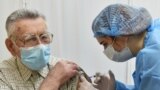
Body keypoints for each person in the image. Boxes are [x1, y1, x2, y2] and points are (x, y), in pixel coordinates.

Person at [78, 3, 160, 90]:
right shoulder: (154, 31)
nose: (106, 50)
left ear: (121, 35)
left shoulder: (152, 57)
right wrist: (116, 87)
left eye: (105, 44)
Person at [1, 9, 79, 90]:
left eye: (44, 37)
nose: (41, 46)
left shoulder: (67, 69)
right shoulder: (3, 75)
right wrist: (53, 80)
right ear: (11, 46)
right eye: (30, 39)